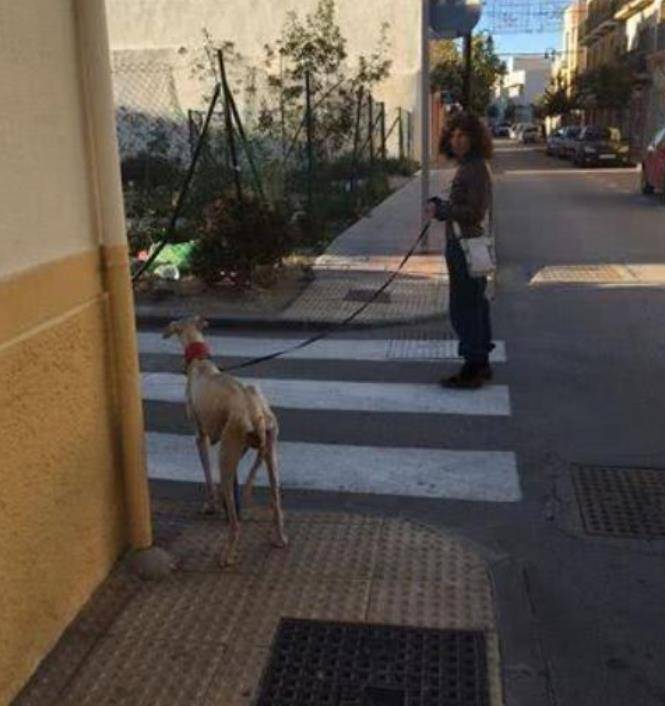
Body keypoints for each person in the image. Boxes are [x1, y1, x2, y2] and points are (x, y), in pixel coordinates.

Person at [426, 112, 495, 389]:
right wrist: (443, 205)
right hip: (467, 243)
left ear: (474, 138)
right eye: (453, 135)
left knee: (464, 307)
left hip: (465, 245)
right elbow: (466, 204)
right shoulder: (471, 166)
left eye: (462, 135)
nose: (456, 141)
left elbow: (475, 212)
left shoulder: (474, 168)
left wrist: (442, 210)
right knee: (476, 304)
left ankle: (472, 367)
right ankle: (480, 363)